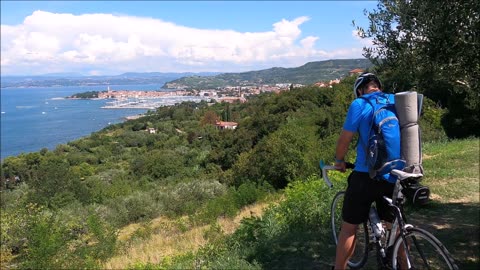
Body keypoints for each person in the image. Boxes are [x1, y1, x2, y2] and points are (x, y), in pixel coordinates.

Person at [333, 72, 396, 269]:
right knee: (395, 228)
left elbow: (345, 139)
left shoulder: (359, 104)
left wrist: (339, 160)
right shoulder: (393, 101)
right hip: (393, 175)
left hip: (365, 175)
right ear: (379, 87)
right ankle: (404, 264)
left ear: (360, 90)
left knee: (349, 228)